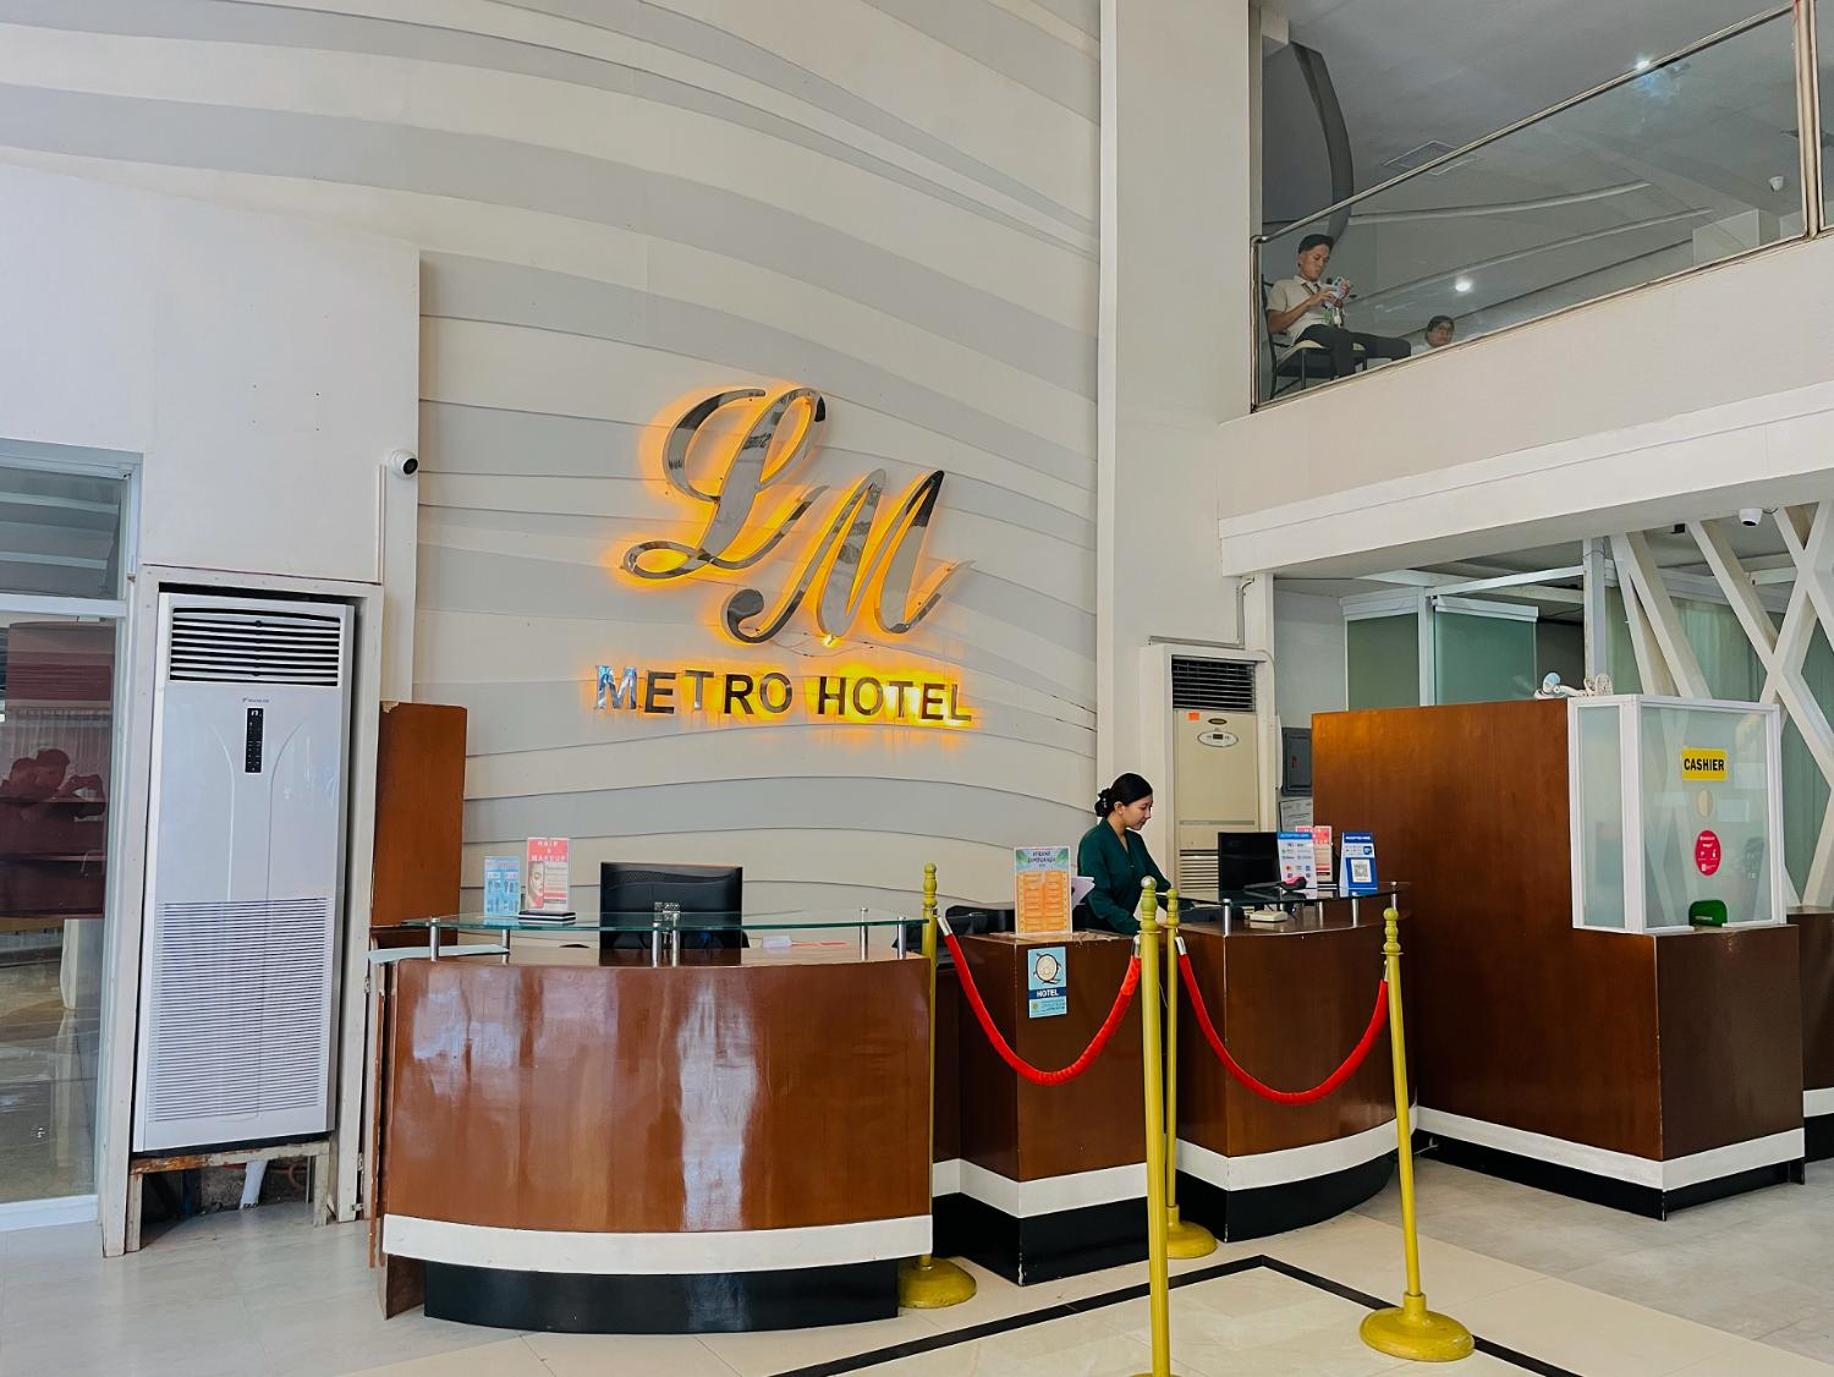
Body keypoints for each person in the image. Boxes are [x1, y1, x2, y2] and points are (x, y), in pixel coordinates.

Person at [1265, 233, 1411, 379]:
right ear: (1301, 258)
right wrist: (1309, 303)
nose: (1321, 265)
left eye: (1325, 261)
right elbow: (1273, 326)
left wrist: (1338, 304)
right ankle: (1349, 387)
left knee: (1401, 346)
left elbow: (1335, 325)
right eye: (1316, 258)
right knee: (1341, 336)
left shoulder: (1327, 289)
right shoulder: (1284, 286)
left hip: (1333, 334)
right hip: (1306, 332)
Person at [1076, 773, 1169, 936]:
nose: (1148, 815)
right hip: (1098, 936)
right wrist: (1138, 928)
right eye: (1143, 808)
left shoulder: (1135, 841)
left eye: (1150, 808)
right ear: (1119, 807)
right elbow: (1099, 900)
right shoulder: (1093, 841)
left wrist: (1193, 914)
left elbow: (1159, 886)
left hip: (1126, 933)